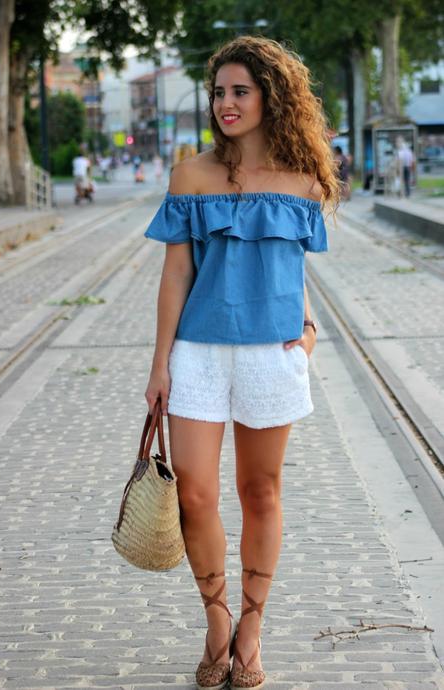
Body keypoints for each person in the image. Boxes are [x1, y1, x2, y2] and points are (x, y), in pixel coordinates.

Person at [143, 36, 339, 690]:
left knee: (261, 492)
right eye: (219, 92)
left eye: (240, 91)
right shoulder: (191, 175)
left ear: (270, 97)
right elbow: (175, 274)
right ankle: (218, 621)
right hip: (198, 352)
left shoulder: (305, 178)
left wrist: (307, 331)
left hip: (271, 355)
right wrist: (159, 365)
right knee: (195, 495)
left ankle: (251, 633)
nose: (226, 103)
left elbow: (293, 270)